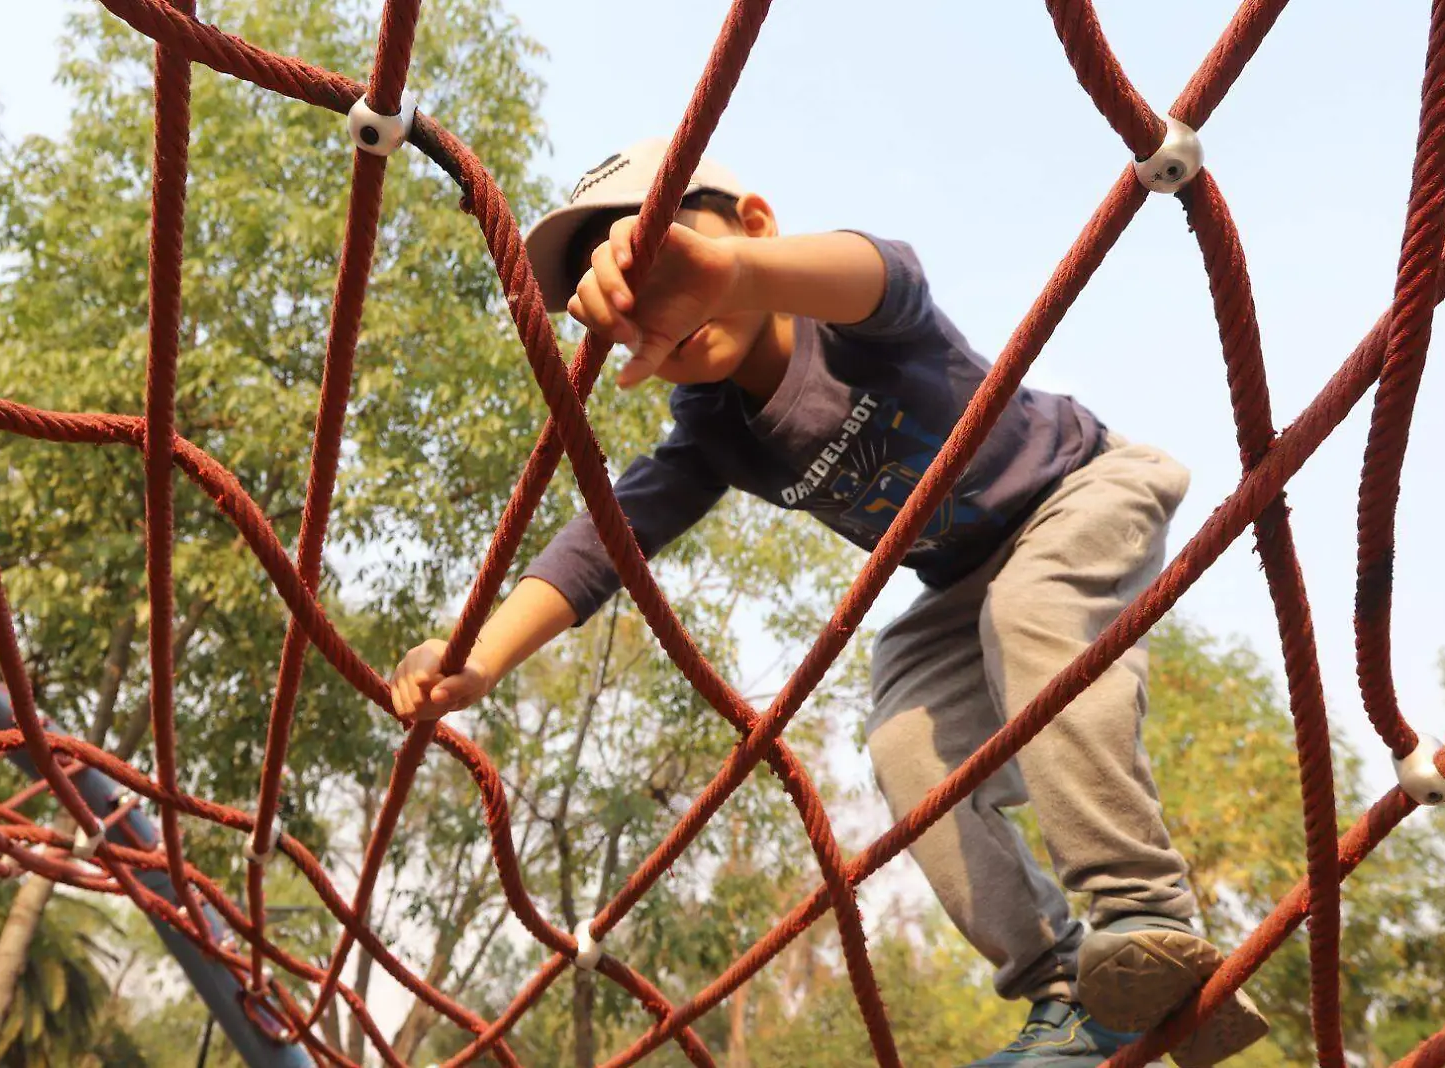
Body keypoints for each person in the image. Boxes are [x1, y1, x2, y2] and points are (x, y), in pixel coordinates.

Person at [389, 138, 1269, 1067]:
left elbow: (885, 272)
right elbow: (604, 542)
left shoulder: (846, 320)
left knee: (1034, 614)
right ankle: (1067, 994)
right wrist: (480, 654)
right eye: (626, 294)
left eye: (670, 251)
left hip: (1078, 489)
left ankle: (1141, 909)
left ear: (754, 227)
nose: (660, 297)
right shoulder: (713, 433)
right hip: (962, 577)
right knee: (903, 746)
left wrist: (731, 272)